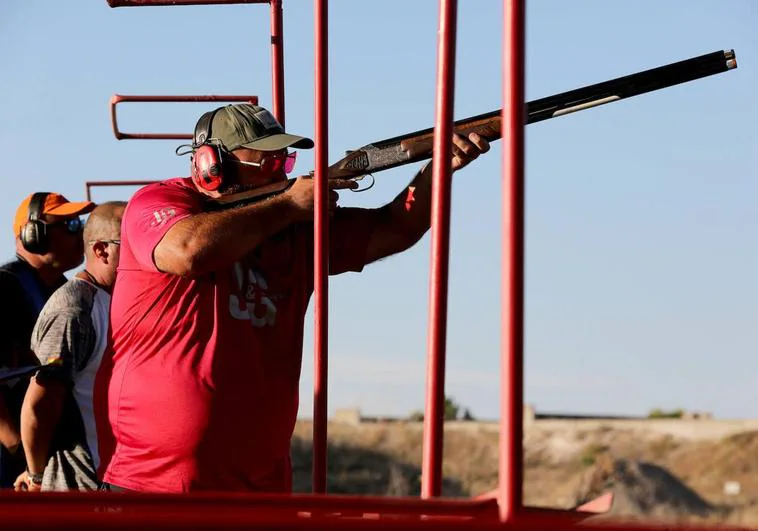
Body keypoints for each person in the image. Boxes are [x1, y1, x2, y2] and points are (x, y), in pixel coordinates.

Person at [100, 103, 489, 493]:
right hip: (152, 485)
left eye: (283, 162)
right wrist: (287, 205)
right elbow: (187, 251)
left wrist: (437, 171)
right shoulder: (160, 202)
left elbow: (394, 229)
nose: (280, 170)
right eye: (266, 162)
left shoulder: (295, 230)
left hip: (261, 487)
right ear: (210, 164)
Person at [12, 202, 125, 492]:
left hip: (116, 483)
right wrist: (37, 476)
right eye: (132, 243)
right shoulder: (73, 309)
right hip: (85, 490)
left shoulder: (110, 300)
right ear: (102, 250)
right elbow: (40, 403)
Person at [0, 192, 95, 488]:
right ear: (33, 236)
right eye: (69, 226)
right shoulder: (5, 287)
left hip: (47, 453)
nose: (80, 232)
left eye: (79, 223)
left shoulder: (66, 291)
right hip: (12, 457)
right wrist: (16, 446)